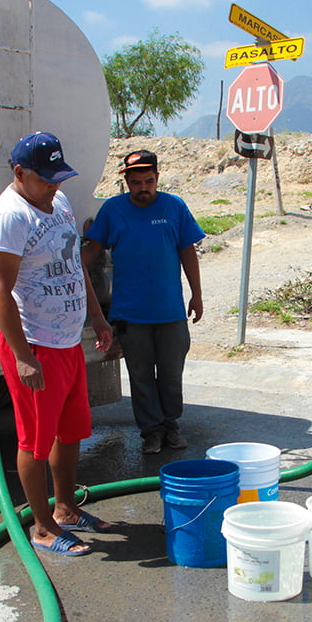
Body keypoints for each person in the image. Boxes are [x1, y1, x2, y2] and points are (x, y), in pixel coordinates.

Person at [0, 132, 114, 557]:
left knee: (72, 431)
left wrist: (96, 318)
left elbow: (73, 268)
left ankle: (66, 509)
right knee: (34, 442)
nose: (54, 186)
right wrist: (22, 356)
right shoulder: (10, 217)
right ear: (20, 173)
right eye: (45, 179)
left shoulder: (57, 202)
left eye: (59, 177)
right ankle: (41, 527)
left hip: (68, 342)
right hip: (37, 345)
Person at [83, 149, 206, 455]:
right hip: (131, 314)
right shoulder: (113, 210)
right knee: (140, 377)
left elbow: (187, 251)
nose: (143, 188)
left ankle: (171, 426)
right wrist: (69, 263)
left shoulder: (174, 206)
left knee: (170, 374)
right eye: (136, 182)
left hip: (170, 312)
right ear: (126, 181)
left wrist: (197, 294)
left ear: (157, 178)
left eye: (148, 181)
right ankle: (151, 431)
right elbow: (92, 250)